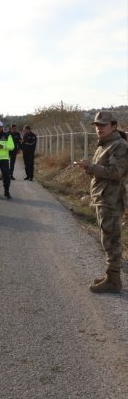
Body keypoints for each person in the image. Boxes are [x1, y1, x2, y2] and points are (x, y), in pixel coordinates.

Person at [75, 111, 128, 294]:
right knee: (106, 238)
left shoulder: (119, 145)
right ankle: (110, 276)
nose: (99, 128)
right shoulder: (104, 145)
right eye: (97, 125)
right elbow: (102, 171)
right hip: (103, 198)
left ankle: (114, 281)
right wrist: (89, 168)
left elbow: (115, 172)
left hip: (111, 200)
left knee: (111, 239)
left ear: (114, 126)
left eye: (103, 125)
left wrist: (91, 166)